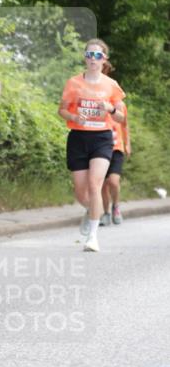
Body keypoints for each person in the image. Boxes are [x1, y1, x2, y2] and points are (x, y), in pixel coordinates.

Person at [58, 38, 125, 252]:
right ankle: (91, 209)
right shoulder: (74, 83)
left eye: (98, 55)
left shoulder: (111, 85)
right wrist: (74, 117)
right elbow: (62, 110)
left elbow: (121, 118)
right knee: (81, 191)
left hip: (102, 138)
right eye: (89, 54)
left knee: (96, 184)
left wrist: (110, 108)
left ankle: (93, 236)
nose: (93, 59)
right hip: (78, 137)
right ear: (85, 58)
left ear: (104, 59)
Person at [101, 100, 130, 226]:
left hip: (116, 148)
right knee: (102, 184)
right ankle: (106, 213)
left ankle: (116, 207)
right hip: (100, 148)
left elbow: (124, 125)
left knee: (113, 181)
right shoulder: (98, 102)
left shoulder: (120, 105)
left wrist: (127, 143)